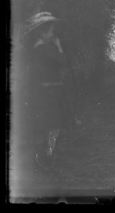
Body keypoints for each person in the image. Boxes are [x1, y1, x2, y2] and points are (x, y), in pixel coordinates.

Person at [18, 12, 70, 169]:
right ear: (42, 32)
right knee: (51, 125)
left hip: (47, 92)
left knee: (49, 126)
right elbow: (62, 62)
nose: (53, 33)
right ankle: (44, 157)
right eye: (50, 30)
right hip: (46, 93)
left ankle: (45, 156)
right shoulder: (43, 49)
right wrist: (59, 46)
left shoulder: (42, 48)